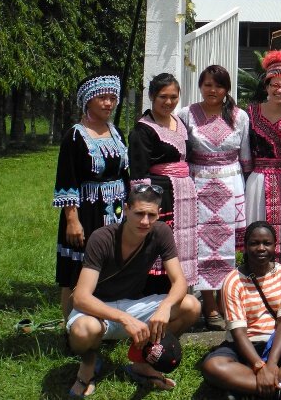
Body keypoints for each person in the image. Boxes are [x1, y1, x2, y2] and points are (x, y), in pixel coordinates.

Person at [66, 184, 201, 396]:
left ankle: (142, 360)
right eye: (139, 213)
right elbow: (81, 298)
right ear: (126, 209)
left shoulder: (161, 232)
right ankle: (88, 365)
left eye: (151, 215)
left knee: (191, 306)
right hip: (99, 309)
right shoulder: (102, 238)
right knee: (84, 330)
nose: (145, 221)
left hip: (133, 305)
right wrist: (124, 319)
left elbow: (180, 282)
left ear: (158, 215)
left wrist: (165, 307)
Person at [201, 221, 281, 400]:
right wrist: (259, 366)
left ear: (275, 246)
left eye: (266, 243)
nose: (261, 248)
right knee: (213, 366)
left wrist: (272, 363)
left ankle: (245, 387)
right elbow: (238, 332)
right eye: (254, 243)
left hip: (276, 342)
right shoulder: (233, 280)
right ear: (245, 247)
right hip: (244, 344)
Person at [178, 64, 251, 329]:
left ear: (226, 89)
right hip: (199, 186)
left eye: (218, 85)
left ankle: (226, 303)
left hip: (232, 185)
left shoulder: (239, 116)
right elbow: (182, 153)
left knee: (228, 247)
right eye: (208, 84)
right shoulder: (186, 115)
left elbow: (245, 156)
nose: (213, 90)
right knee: (203, 248)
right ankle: (209, 306)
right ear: (200, 86)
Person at [54, 73, 130, 321]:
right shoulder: (75, 136)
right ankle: (71, 327)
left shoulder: (115, 132)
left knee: (110, 265)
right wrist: (72, 220)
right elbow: (67, 181)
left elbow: (124, 174)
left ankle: (107, 322)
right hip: (86, 212)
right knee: (77, 271)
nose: (109, 103)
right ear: (88, 100)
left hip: (115, 211)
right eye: (102, 98)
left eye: (112, 98)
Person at [128, 73, 198, 292]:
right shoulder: (143, 129)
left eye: (174, 97)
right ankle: (154, 295)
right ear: (151, 96)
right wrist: (147, 205)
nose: (169, 102)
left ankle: (179, 294)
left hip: (183, 194)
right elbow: (138, 172)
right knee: (158, 246)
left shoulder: (179, 123)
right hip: (161, 196)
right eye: (163, 97)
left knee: (181, 244)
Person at [244, 51, 281, 268]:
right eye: (275, 85)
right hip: (258, 181)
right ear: (267, 85)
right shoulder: (249, 114)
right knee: (257, 231)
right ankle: (253, 282)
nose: (280, 90)